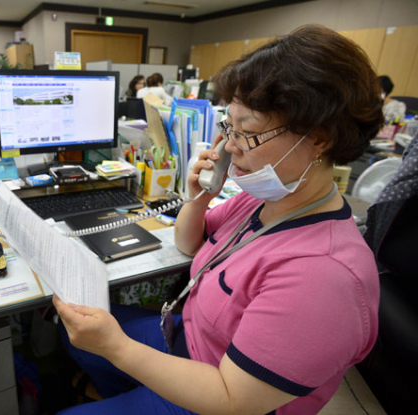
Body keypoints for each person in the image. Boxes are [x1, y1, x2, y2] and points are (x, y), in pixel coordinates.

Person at [53, 25, 382, 415]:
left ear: (320, 138)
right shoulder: (263, 200)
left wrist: (117, 347)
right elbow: (188, 244)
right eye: (230, 125)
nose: (229, 146)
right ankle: (118, 392)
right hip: (187, 340)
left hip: (216, 395)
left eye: (248, 132)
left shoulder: (324, 276)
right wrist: (199, 197)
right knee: (70, 328)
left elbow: (232, 400)